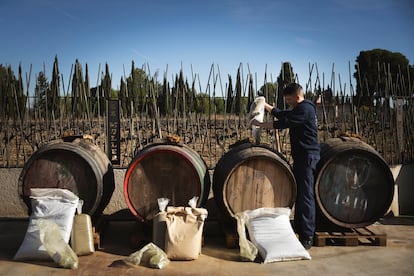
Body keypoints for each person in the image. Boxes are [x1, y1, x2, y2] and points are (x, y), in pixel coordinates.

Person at [250, 82, 320, 249]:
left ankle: (307, 235)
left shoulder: (305, 110)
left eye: (289, 100)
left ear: (297, 96)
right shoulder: (301, 107)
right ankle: (301, 227)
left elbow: (282, 123)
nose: (288, 102)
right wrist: (264, 105)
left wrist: (259, 125)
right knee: (301, 194)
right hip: (303, 156)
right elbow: (281, 114)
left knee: (306, 196)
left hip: (307, 156)